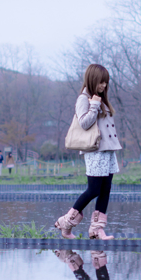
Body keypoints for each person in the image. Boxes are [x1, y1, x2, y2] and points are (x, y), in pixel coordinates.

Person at [53, 64, 123, 240]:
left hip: (107, 150)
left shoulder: (99, 98)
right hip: (95, 151)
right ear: (92, 80)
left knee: (106, 189)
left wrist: (98, 102)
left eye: (106, 83)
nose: (104, 86)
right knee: (93, 190)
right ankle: (66, 222)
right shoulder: (84, 99)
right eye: (101, 82)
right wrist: (94, 106)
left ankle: (97, 229)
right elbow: (84, 123)